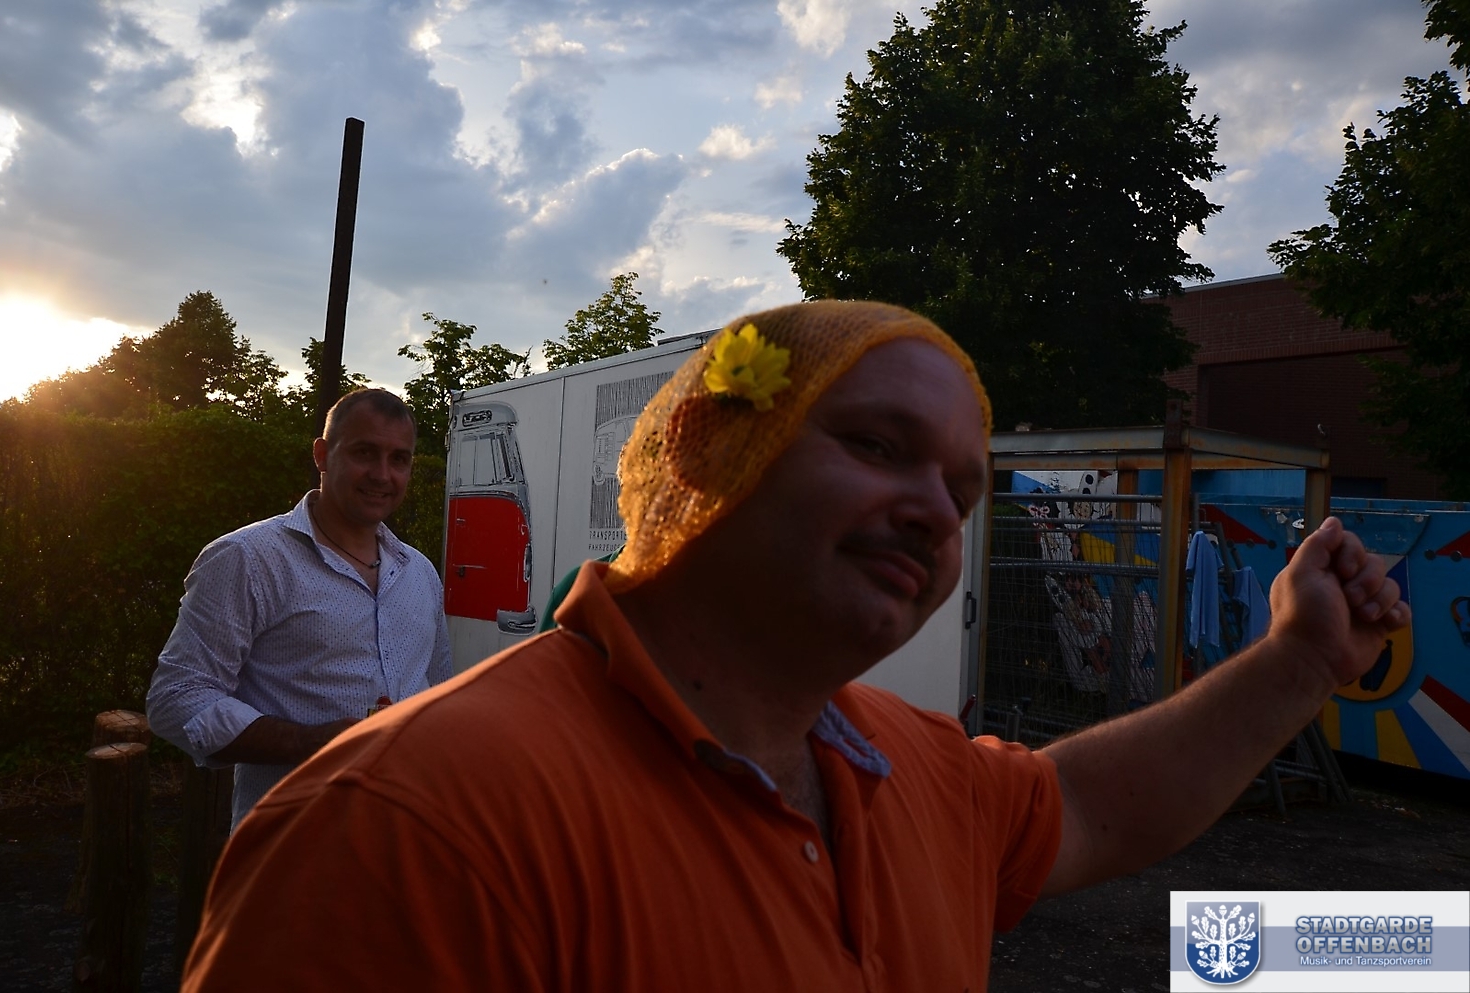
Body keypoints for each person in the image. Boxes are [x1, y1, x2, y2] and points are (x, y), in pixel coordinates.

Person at [182, 302, 1408, 991]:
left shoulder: (912, 768)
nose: (934, 512)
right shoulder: (403, 832)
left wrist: (1301, 660)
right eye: (877, 446)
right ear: (705, 452)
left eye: (962, 490)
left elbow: (1087, 808)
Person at [147, 387, 453, 830]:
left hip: (406, 836)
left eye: (399, 459)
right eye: (364, 453)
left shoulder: (419, 572)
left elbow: (439, 693)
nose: (382, 474)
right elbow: (177, 698)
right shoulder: (248, 558)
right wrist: (312, 742)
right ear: (322, 455)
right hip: (292, 844)